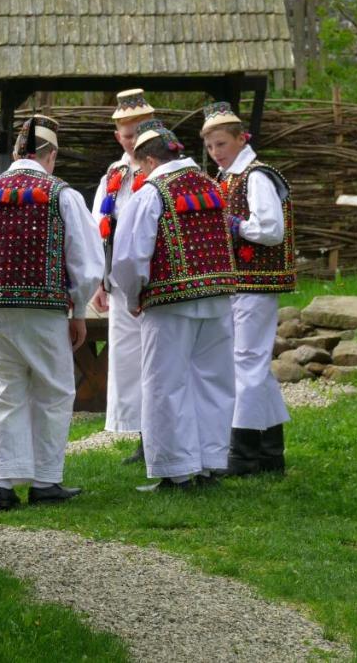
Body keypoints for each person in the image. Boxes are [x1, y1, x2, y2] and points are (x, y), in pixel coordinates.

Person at [0, 116, 104, 512]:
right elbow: (87, 262)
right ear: (50, 156)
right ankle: (46, 480)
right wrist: (78, 308)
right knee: (53, 391)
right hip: (45, 311)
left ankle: (4, 483)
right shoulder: (61, 194)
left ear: (15, 153)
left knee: (6, 392)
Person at [111, 119, 238, 491]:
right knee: (212, 381)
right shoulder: (212, 185)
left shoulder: (152, 192)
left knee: (165, 384)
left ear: (148, 161)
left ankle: (175, 470)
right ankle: (209, 464)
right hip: (216, 299)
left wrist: (133, 297)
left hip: (169, 302)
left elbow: (130, 257)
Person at [200, 102, 296, 476]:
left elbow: (272, 231)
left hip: (257, 282)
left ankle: (243, 453)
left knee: (246, 361)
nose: (216, 153)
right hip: (238, 282)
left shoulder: (255, 176)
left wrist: (236, 226)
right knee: (250, 362)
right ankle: (270, 452)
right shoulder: (229, 178)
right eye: (210, 147)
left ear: (242, 139)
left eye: (221, 144)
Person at [90, 89, 155, 463]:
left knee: (156, 357)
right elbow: (99, 226)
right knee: (129, 360)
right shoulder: (113, 176)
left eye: (139, 134)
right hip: (119, 285)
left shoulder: (162, 172)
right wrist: (100, 280)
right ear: (117, 137)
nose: (132, 142)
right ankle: (144, 435)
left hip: (155, 282)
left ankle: (160, 432)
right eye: (126, 135)